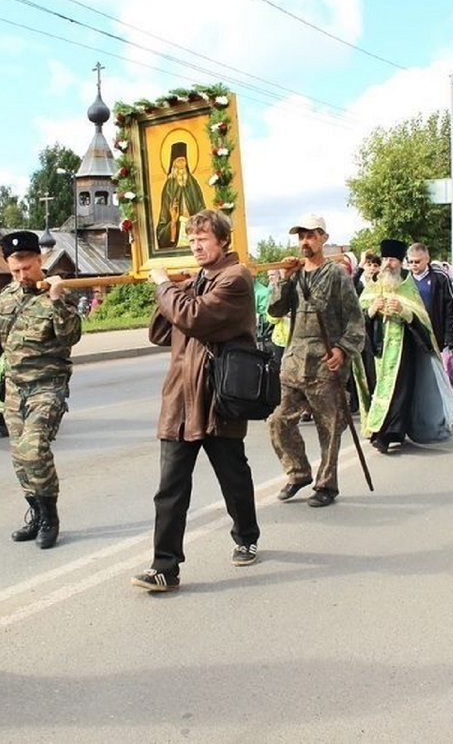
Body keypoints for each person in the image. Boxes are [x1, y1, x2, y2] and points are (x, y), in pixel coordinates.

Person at [131, 209, 261, 592]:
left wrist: (164, 287)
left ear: (222, 241)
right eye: (192, 240)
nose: (196, 245)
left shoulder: (236, 279)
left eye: (203, 238)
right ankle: (165, 567)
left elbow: (193, 319)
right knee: (170, 487)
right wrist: (175, 288)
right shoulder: (198, 281)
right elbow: (159, 331)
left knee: (232, 477)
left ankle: (246, 535)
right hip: (180, 399)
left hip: (217, 396)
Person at [0, 231, 82, 550]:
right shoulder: (8, 295)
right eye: (15, 270)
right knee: (19, 457)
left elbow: (70, 337)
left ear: (39, 261)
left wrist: (57, 299)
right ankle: (36, 512)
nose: (21, 275)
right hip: (15, 388)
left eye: (27, 268)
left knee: (34, 449)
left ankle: (51, 518)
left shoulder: (61, 292)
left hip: (48, 385)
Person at [266, 213, 365, 508]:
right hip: (295, 362)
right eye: (301, 236)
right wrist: (283, 279)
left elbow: (355, 321)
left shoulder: (337, 275)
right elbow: (274, 310)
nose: (305, 241)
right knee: (278, 422)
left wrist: (342, 350)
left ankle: (326, 484)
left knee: (330, 425)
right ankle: (298, 473)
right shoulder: (293, 273)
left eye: (310, 235)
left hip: (325, 363)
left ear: (323, 238)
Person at [360, 239, 453, 454]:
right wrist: (372, 310)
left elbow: (421, 318)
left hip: (404, 349)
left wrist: (404, 311)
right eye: (385, 259)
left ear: (400, 262)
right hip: (376, 349)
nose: (387, 264)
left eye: (392, 260)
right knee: (378, 390)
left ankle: (386, 435)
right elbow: (357, 316)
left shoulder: (407, 285)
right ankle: (380, 431)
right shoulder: (372, 286)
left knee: (399, 392)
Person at [405, 242, 453, 354]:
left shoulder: (440, 277)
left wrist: (449, 337)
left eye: (417, 261)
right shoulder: (405, 279)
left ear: (427, 259)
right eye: (410, 261)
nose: (414, 264)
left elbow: (450, 309)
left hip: (435, 334)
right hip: (412, 335)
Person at [155, 141, 207, 248]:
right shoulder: (169, 185)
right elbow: (165, 214)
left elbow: (200, 205)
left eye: (183, 161)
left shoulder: (193, 183)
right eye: (178, 161)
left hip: (193, 226)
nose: (181, 164)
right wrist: (173, 221)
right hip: (177, 227)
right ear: (173, 164)